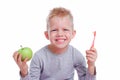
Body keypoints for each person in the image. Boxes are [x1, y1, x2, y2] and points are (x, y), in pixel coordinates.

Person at [13, 7, 97, 80]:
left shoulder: (76, 55)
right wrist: (24, 72)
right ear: (47, 35)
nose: (60, 34)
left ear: (73, 34)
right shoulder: (39, 57)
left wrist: (91, 66)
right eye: (54, 30)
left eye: (65, 29)